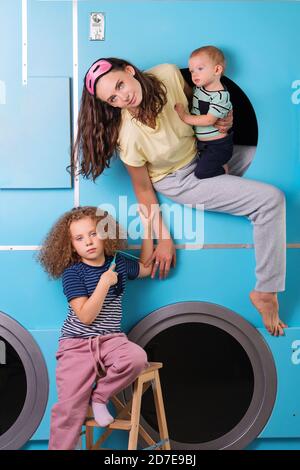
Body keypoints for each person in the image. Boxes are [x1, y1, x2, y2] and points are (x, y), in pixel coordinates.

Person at [71, 57, 287, 336]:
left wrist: (221, 120)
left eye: (121, 85)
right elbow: (144, 189)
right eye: (113, 98)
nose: (123, 97)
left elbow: (197, 106)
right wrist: (164, 238)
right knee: (270, 200)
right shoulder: (129, 137)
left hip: (206, 152)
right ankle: (265, 291)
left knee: (273, 158)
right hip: (180, 179)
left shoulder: (168, 76)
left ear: (129, 70)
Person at [38, 206, 153, 450]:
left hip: (111, 340)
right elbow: (86, 316)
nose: (88, 242)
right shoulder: (72, 274)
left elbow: (147, 267)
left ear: (105, 234)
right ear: (71, 245)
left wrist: (148, 228)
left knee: (136, 358)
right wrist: (103, 284)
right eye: (79, 238)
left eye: (93, 234)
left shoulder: (119, 263)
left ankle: (99, 397)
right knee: (68, 410)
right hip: (76, 344)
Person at [174, 45, 233, 179]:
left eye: (200, 69)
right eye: (192, 71)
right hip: (203, 144)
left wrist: (184, 116)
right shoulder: (199, 89)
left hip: (218, 146)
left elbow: (209, 120)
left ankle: (223, 171)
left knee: (201, 173)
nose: (194, 74)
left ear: (217, 69)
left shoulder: (220, 96)